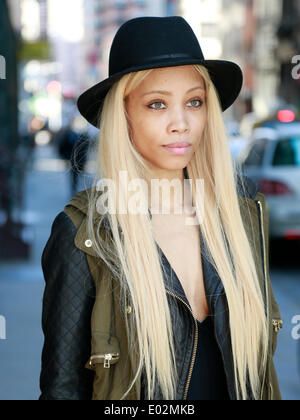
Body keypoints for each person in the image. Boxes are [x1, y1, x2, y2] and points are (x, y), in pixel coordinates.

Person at [39, 16, 282, 401]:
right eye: (157, 104)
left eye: (194, 101)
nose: (181, 123)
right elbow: (63, 389)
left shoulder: (243, 212)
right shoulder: (85, 234)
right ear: (124, 115)